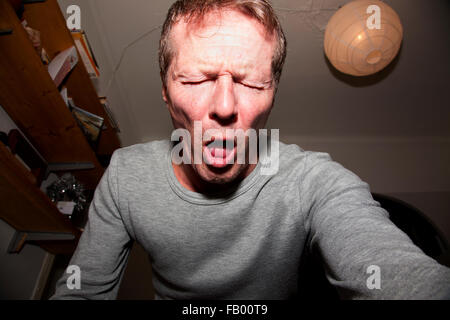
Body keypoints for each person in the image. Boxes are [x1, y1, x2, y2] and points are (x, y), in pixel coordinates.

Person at [52, 0, 450, 300]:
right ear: (165, 90)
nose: (224, 106)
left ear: (273, 96)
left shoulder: (310, 181)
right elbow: (81, 291)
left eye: (253, 83)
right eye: (193, 79)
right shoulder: (125, 176)